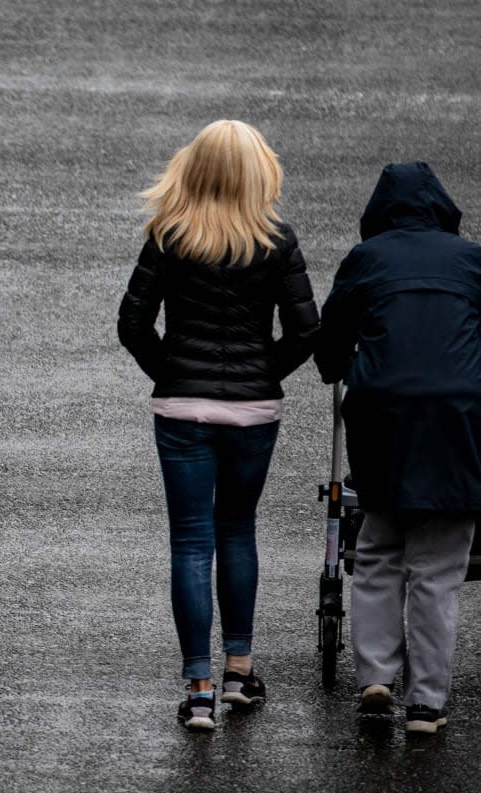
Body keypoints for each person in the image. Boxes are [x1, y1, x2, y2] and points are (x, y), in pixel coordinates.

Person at [117, 120, 319, 731]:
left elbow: (132, 324)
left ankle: (197, 688)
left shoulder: (169, 236)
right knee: (237, 530)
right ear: (259, 171)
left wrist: (173, 373)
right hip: (253, 411)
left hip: (182, 408)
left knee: (189, 540)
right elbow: (308, 331)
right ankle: (239, 671)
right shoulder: (276, 240)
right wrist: (263, 374)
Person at [315, 162, 481, 734]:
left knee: (380, 548)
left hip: (381, 415)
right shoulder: (471, 260)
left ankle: (376, 677)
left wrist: (336, 366)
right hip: (458, 418)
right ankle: (426, 703)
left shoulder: (368, 259)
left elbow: (332, 341)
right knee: (436, 566)